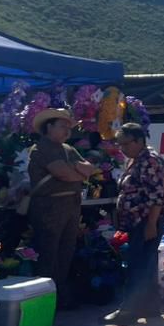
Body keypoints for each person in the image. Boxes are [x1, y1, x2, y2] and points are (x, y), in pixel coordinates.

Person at [28, 109, 98, 310]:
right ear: (49, 127)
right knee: (48, 252)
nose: (67, 130)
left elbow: (89, 169)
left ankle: (61, 296)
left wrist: (76, 170)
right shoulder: (41, 148)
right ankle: (46, 300)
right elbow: (63, 173)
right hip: (49, 206)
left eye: (69, 127)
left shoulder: (68, 149)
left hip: (71, 204)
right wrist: (78, 171)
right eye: (62, 126)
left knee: (66, 251)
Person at [107, 123, 164, 324]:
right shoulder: (137, 160)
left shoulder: (150, 160)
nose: (122, 149)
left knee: (138, 264)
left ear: (139, 141)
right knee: (146, 263)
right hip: (138, 220)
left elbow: (156, 196)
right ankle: (149, 307)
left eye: (125, 144)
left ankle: (128, 310)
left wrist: (151, 223)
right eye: (120, 144)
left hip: (146, 219)